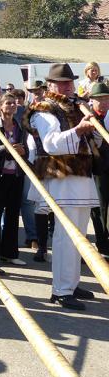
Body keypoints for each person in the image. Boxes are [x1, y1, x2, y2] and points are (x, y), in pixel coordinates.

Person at [25, 63, 99, 310]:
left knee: (80, 236)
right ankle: (60, 290)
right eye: (63, 82)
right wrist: (79, 130)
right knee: (65, 236)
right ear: (51, 86)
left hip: (80, 176)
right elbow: (52, 144)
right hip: (61, 178)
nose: (69, 86)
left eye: (70, 82)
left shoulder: (76, 106)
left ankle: (72, 283)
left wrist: (93, 126)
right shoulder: (45, 109)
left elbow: (91, 141)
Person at [0, 93, 30, 270]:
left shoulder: (19, 126)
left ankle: (10, 253)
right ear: (0, 107)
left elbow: (25, 147)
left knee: (12, 215)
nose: (12, 106)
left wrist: (23, 152)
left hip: (16, 175)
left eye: (14, 104)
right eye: (8, 103)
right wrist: (8, 148)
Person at [87, 82, 109, 257]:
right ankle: (103, 246)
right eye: (99, 99)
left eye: (106, 99)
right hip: (96, 169)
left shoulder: (106, 115)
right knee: (100, 208)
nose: (103, 102)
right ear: (92, 101)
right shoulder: (88, 117)